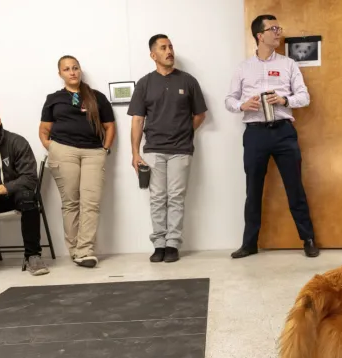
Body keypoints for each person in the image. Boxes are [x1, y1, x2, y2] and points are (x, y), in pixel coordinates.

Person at [225, 14, 319, 259]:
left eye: (279, 27)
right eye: (273, 28)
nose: (278, 32)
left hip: (283, 132)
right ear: (260, 35)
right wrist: (242, 105)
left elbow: (304, 97)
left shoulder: (289, 64)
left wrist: (285, 100)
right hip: (255, 134)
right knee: (253, 190)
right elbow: (229, 100)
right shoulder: (243, 68)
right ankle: (249, 243)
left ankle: (308, 239)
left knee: (294, 187)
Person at [127, 34, 207, 263]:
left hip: (181, 149)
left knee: (176, 198)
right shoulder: (144, 83)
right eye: (163, 48)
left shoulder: (188, 81)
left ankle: (172, 244)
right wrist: (135, 153)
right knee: (157, 197)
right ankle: (159, 243)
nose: (169, 51)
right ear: (153, 55)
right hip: (153, 149)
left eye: (171, 46)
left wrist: (185, 131)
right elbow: (137, 120)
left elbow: (200, 114)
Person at [39, 55, 116, 268]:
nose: (72, 72)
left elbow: (110, 126)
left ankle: (86, 250)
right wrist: (54, 149)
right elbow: (44, 130)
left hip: (93, 152)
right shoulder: (53, 98)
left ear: (80, 70)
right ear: (60, 74)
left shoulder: (97, 97)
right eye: (67, 69)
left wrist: (105, 149)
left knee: (90, 202)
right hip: (63, 151)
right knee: (71, 202)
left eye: (75, 68)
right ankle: (74, 250)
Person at [0, 98, 49, 275]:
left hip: (11, 196)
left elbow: (29, 179)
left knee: (28, 197)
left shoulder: (16, 142)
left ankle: (33, 255)